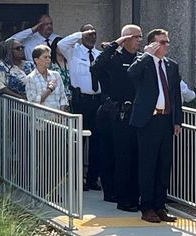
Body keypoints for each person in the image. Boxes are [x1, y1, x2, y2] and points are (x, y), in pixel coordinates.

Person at [128, 29, 183, 224]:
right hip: (148, 121)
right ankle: (147, 206)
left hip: (166, 121)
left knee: (163, 165)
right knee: (148, 165)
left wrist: (177, 121)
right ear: (152, 44)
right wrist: (146, 55)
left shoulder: (172, 66)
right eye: (162, 42)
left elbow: (176, 95)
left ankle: (160, 205)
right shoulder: (144, 62)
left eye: (167, 42)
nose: (166, 45)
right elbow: (131, 74)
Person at [92, 26, 144, 210]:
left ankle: (133, 195)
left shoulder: (140, 59)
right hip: (115, 113)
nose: (139, 40)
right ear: (126, 39)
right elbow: (96, 67)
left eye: (140, 37)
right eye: (135, 37)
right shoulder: (114, 58)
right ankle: (119, 197)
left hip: (136, 114)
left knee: (134, 157)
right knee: (117, 156)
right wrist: (115, 44)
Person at [58, 24, 104, 191]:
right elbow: (61, 44)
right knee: (78, 141)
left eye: (94, 34)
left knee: (97, 141)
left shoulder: (99, 54)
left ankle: (92, 179)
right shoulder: (73, 52)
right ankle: (77, 179)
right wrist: (80, 34)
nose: (92, 37)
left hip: (97, 100)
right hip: (81, 101)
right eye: (88, 34)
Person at [25, 44, 69, 110]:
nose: (48, 60)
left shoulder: (56, 75)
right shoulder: (30, 78)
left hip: (58, 117)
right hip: (40, 118)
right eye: (45, 57)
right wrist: (49, 90)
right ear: (36, 60)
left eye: (49, 57)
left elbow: (63, 98)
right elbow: (33, 102)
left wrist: (61, 114)